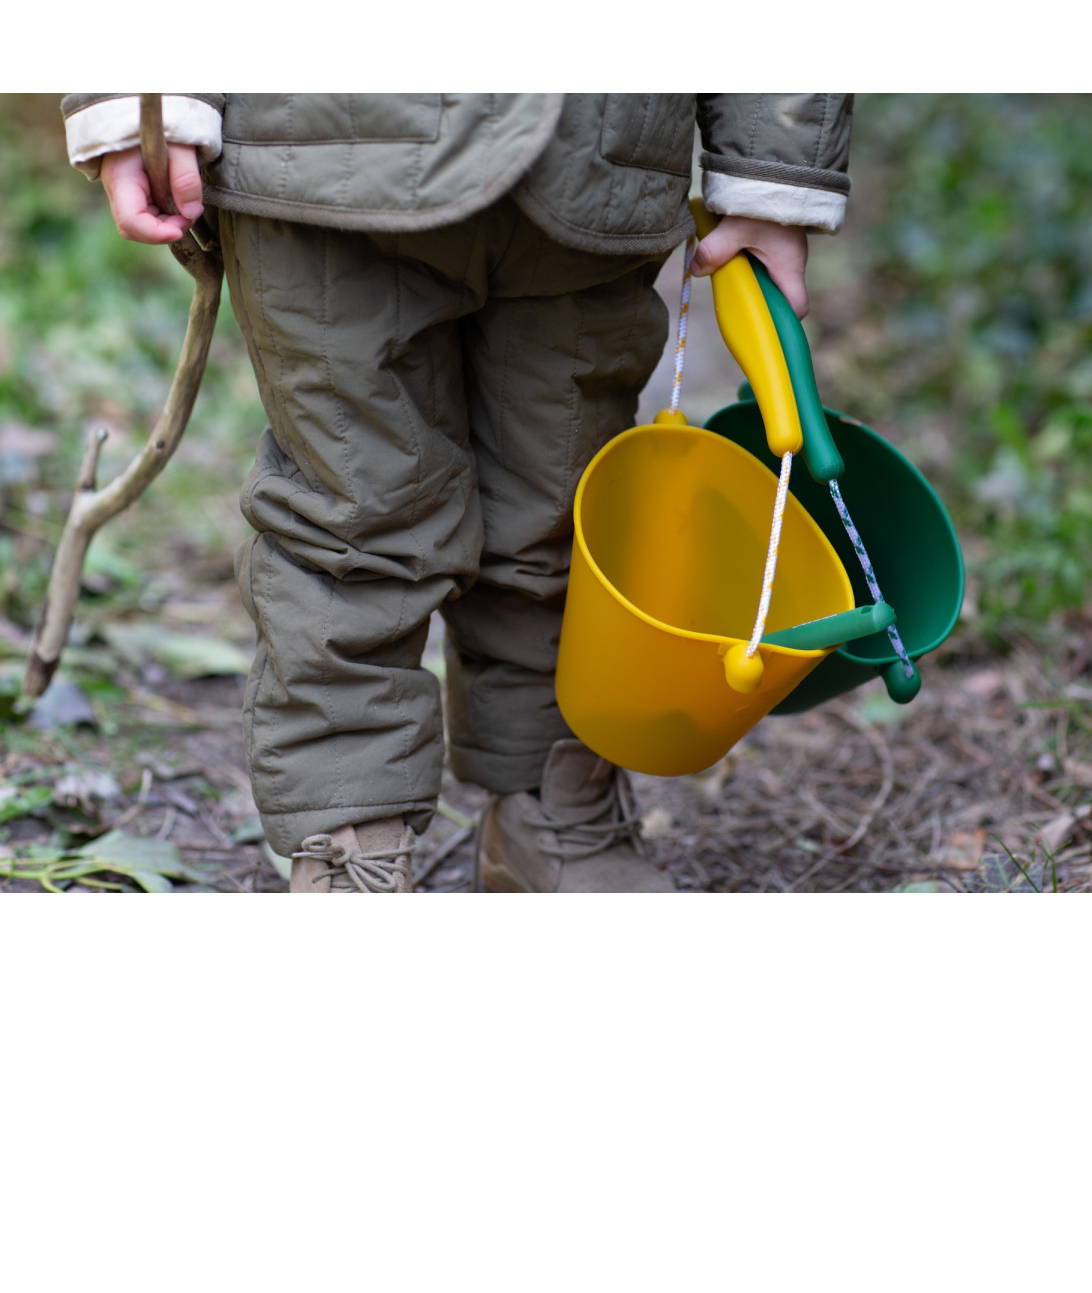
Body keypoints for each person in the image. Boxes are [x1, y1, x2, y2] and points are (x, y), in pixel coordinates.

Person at [63, 94, 854, 892]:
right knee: (353, 519)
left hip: (600, 159)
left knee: (569, 511)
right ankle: (349, 829)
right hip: (324, 150)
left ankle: (554, 803)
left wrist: (771, 173)